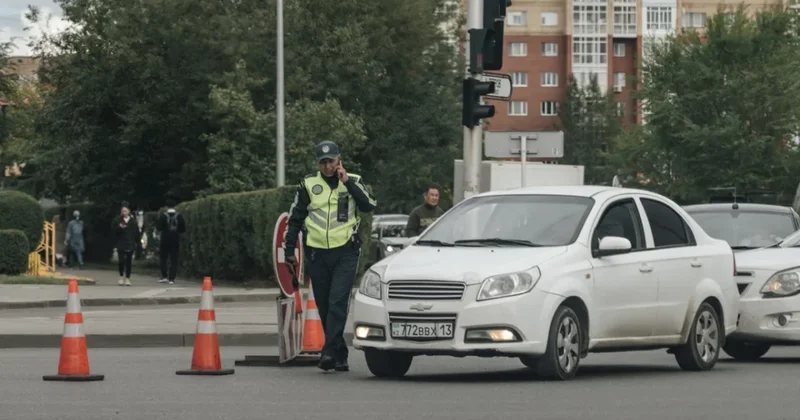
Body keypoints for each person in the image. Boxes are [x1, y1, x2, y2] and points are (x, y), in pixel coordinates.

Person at [283, 140, 377, 372]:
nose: (327, 166)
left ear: (339, 160)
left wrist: (346, 182)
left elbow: (368, 205)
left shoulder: (353, 181)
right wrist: (288, 251)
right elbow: (294, 218)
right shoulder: (308, 184)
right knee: (324, 306)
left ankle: (327, 351)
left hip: (345, 251)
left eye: (331, 161)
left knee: (337, 302)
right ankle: (340, 352)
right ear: (318, 163)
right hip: (316, 253)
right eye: (323, 162)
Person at [156, 198, 186, 285]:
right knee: (174, 259)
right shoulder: (179, 216)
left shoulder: (163, 215)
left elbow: (159, 228)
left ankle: (164, 276)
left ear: (166, 206)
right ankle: (172, 278)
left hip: (165, 239)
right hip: (175, 239)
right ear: (175, 206)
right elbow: (183, 229)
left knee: (163, 258)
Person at [113, 205, 141, 286]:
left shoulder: (133, 221)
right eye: (122, 211)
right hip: (121, 243)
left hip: (130, 244)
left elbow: (136, 234)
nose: (124, 213)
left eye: (125, 211)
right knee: (121, 261)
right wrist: (119, 227)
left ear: (129, 211)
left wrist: (137, 243)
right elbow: (114, 231)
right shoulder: (118, 220)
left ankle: (128, 278)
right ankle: (121, 276)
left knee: (129, 262)